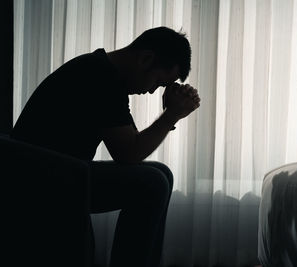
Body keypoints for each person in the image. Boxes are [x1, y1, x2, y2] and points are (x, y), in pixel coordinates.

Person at [11, 26, 200, 267]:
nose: (152, 90)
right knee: (152, 183)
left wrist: (170, 115)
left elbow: (131, 143)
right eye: (157, 81)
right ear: (146, 59)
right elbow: (129, 154)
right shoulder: (101, 78)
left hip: (58, 171)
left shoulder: (104, 73)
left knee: (162, 174)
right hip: (41, 180)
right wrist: (171, 115)